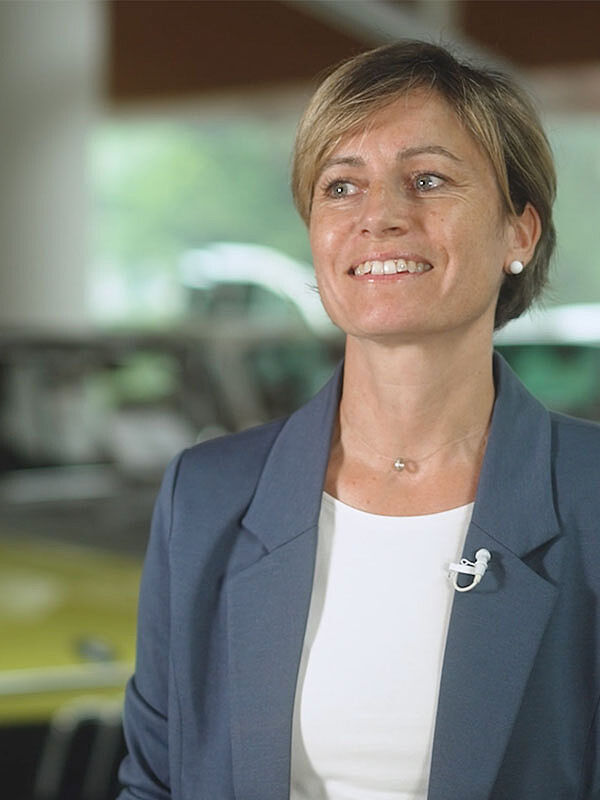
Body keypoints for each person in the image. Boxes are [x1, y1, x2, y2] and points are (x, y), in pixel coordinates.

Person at [117, 41, 600, 800]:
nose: (380, 217)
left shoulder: (590, 496)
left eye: (428, 180)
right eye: (342, 187)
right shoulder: (205, 498)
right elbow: (154, 783)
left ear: (520, 232)